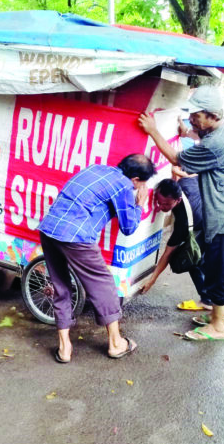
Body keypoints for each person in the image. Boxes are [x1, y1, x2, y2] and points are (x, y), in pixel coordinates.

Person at [138, 86, 224, 342]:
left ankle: (219, 327)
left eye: (196, 116)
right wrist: (189, 132)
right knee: (213, 268)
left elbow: (175, 158)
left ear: (213, 115)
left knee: (220, 274)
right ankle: (218, 315)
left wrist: (153, 131)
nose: (192, 119)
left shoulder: (215, 143)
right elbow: (199, 136)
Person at [38, 154, 155, 363]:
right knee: (104, 285)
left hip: (49, 228)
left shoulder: (95, 168)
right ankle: (116, 343)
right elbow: (128, 228)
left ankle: (64, 348)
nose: (140, 188)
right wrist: (139, 205)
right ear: (135, 179)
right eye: (142, 184)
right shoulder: (124, 186)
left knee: (60, 285)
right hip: (76, 235)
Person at [140, 179, 224, 324]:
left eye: (166, 204)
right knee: (193, 262)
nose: (161, 207)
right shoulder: (185, 182)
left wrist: (152, 279)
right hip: (209, 220)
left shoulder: (184, 221)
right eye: (159, 202)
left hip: (223, 227)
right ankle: (207, 299)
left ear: (178, 199)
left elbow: (167, 254)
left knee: (213, 270)